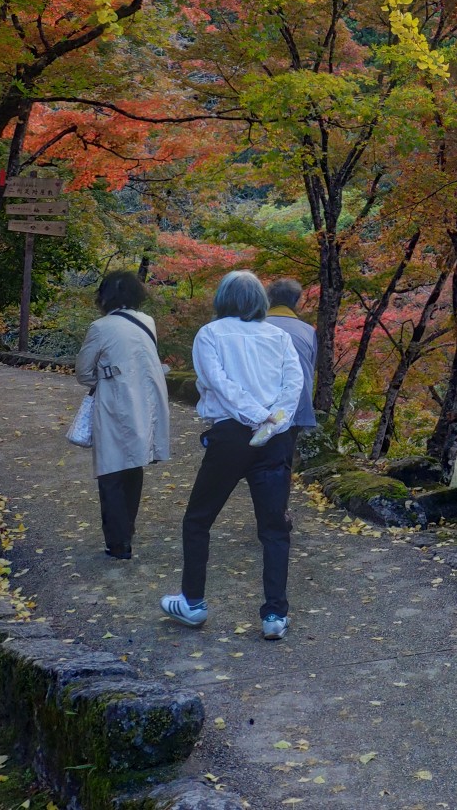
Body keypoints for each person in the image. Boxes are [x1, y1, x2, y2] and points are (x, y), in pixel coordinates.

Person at [160, 270, 303, 640]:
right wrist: (274, 420)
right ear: (260, 301)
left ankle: (192, 603)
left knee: (198, 520)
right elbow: (294, 384)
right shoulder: (279, 336)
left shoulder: (210, 334)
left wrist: (256, 417)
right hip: (275, 438)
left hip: (231, 436)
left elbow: (218, 383)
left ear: (222, 299)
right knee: (274, 529)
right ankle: (274, 616)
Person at [74, 272, 171, 560]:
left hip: (114, 402)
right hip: (147, 401)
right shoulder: (147, 322)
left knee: (111, 470)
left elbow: (83, 372)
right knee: (133, 465)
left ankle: (118, 543)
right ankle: (126, 531)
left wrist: (105, 380)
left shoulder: (100, 327)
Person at [263, 278, 318, 446]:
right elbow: (311, 367)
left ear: (269, 299)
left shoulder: (255, 328)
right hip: (297, 407)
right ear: (297, 301)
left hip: (262, 406)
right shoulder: (309, 331)